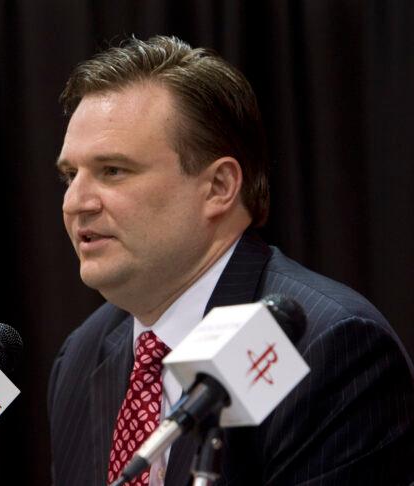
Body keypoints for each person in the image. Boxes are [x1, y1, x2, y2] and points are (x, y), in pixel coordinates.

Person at [48, 35, 414, 485]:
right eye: (70, 175)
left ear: (219, 186)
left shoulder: (326, 346)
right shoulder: (82, 356)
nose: (76, 202)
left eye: (113, 171)